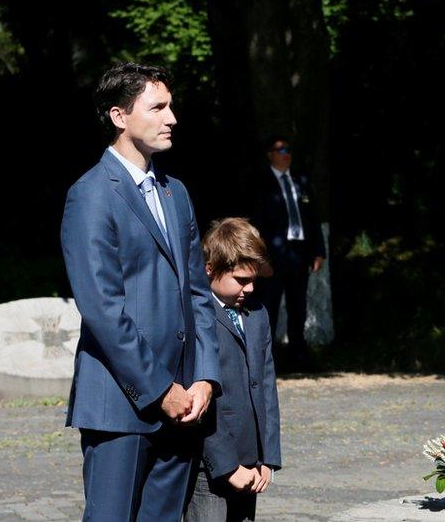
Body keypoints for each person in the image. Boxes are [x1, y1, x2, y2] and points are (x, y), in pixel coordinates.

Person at [61, 62, 220, 520]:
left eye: (172, 106)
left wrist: (205, 376)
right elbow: (102, 309)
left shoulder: (177, 193)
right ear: (119, 116)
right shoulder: (91, 194)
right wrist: (158, 389)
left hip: (185, 403)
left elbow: (197, 293)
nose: (172, 118)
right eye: (158, 107)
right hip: (120, 404)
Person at [185, 217, 281, 522]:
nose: (250, 288)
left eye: (253, 279)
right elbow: (196, 401)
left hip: (251, 460)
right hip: (209, 464)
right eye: (241, 280)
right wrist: (226, 465)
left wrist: (268, 458)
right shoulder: (193, 316)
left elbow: (266, 387)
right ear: (210, 269)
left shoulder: (257, 315)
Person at [250, 135, 326, 371]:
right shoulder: (261, 184)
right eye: (281, 150)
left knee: (298, 307)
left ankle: (298, 357)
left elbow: (312, 218)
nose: (286, 154)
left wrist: (318, 251)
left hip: (299, 253)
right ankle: (267, 360)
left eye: (289, 150)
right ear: (270, 155)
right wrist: (260, 258)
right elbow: (255, 223)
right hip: (273, 255)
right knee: (269, 306)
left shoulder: (301, 181)